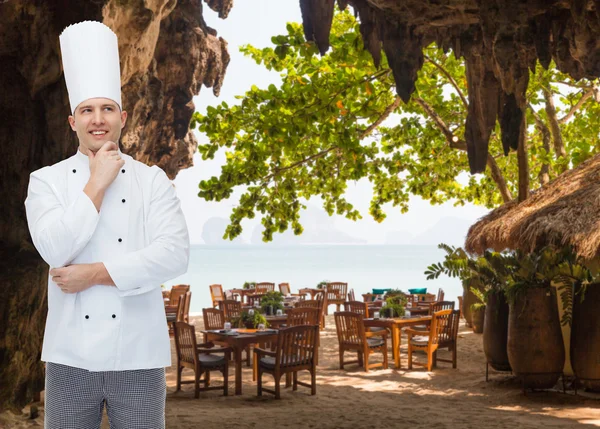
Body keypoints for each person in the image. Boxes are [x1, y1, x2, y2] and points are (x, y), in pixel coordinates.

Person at [24, 21, 190, 429]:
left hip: (138, 355)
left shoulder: (152, 179)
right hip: (68, 356)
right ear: (72, 121)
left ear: (123, 116)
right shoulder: (45, 180)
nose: (97, 119)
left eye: (107, 109)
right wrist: (97, 182)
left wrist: (95, 274)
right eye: (87, 110)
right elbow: (54, 249)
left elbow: (174, 255)